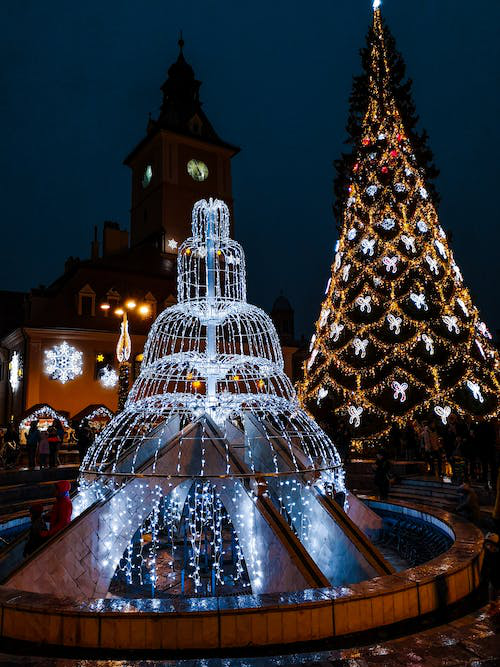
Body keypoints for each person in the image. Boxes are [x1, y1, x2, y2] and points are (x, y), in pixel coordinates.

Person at [481, 532, 500, 607]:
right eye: (487, 544)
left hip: (496, 580)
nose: (488, 547)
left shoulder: (496, 555)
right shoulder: (488, 553)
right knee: (492, 599)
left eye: (490, 545)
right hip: (492, 580)